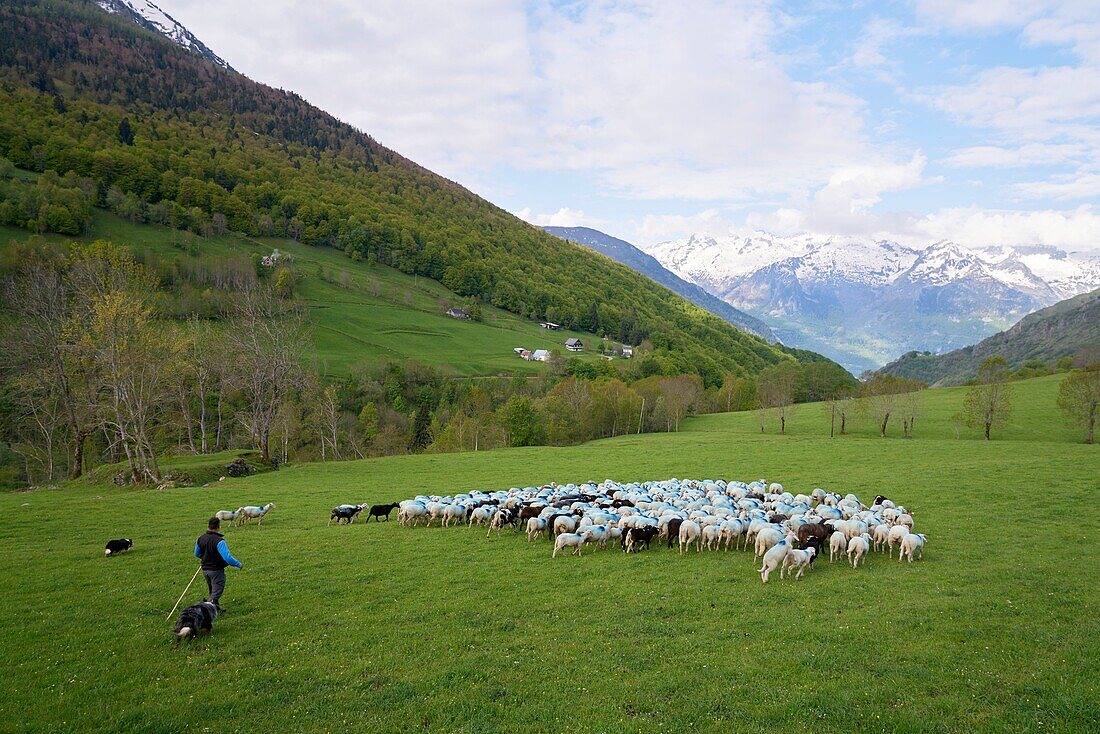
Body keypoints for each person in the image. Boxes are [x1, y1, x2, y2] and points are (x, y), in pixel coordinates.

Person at [194, 517, 242, 611]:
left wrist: (206, 558)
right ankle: (205, 611)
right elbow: (227, 558)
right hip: (216, 570)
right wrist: (238, 564)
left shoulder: (200, 538)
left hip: (205, 570)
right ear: (218, 526)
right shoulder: (219, 541)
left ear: (208, 526)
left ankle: (216, 608)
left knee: (212, 590)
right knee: (216, 592)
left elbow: (196, 553)